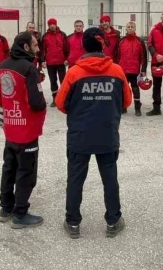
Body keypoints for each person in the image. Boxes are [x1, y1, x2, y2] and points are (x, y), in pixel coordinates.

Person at [55, 27, 132, 239]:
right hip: (107, 135)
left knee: (75, 179)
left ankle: (72, 223)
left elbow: (60, 104)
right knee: (110, 179)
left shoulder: (74, 72)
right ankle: (113, 220)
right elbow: (127, 101)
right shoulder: (116, 71)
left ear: (83, 46)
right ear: (103, 45)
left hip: (80, 136)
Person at [0, 31, 47, 229]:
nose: (38, 49)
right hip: (27, 129)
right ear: (25, 47)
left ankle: (6, 208)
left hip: (11, 128)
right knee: (26, 172)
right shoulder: (29, 69)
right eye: (35, 45)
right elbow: (37, 102)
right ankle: (20, 213)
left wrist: (10, 102)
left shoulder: (3, 65)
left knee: (9, 167)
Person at [116, 21, 148, 116]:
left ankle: (137, 108)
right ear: (126, 29)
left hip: (134, 70)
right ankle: (123, 107)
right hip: (123, 70)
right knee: (123, 89)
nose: (130, 28)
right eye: (128, 27)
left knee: (135, 89)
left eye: (132, 27)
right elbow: (117, 56)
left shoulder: (139, 41)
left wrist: (143, 70)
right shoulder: (121, 41)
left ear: (135, 29)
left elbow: (144, 57)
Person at [41, 18, 68, 107]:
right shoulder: (45, 36)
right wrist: (43, 60)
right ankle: (55, 99)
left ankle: (64, 99)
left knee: (63, 81)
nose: (52, 25)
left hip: (61, 62)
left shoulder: (62, 35)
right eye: (50, 24)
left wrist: (66, 58)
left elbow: (66, 48)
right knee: (53, 81)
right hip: (50, 63)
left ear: (56, 24)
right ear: (48, 25)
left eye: (54, 24)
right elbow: (43, 50)